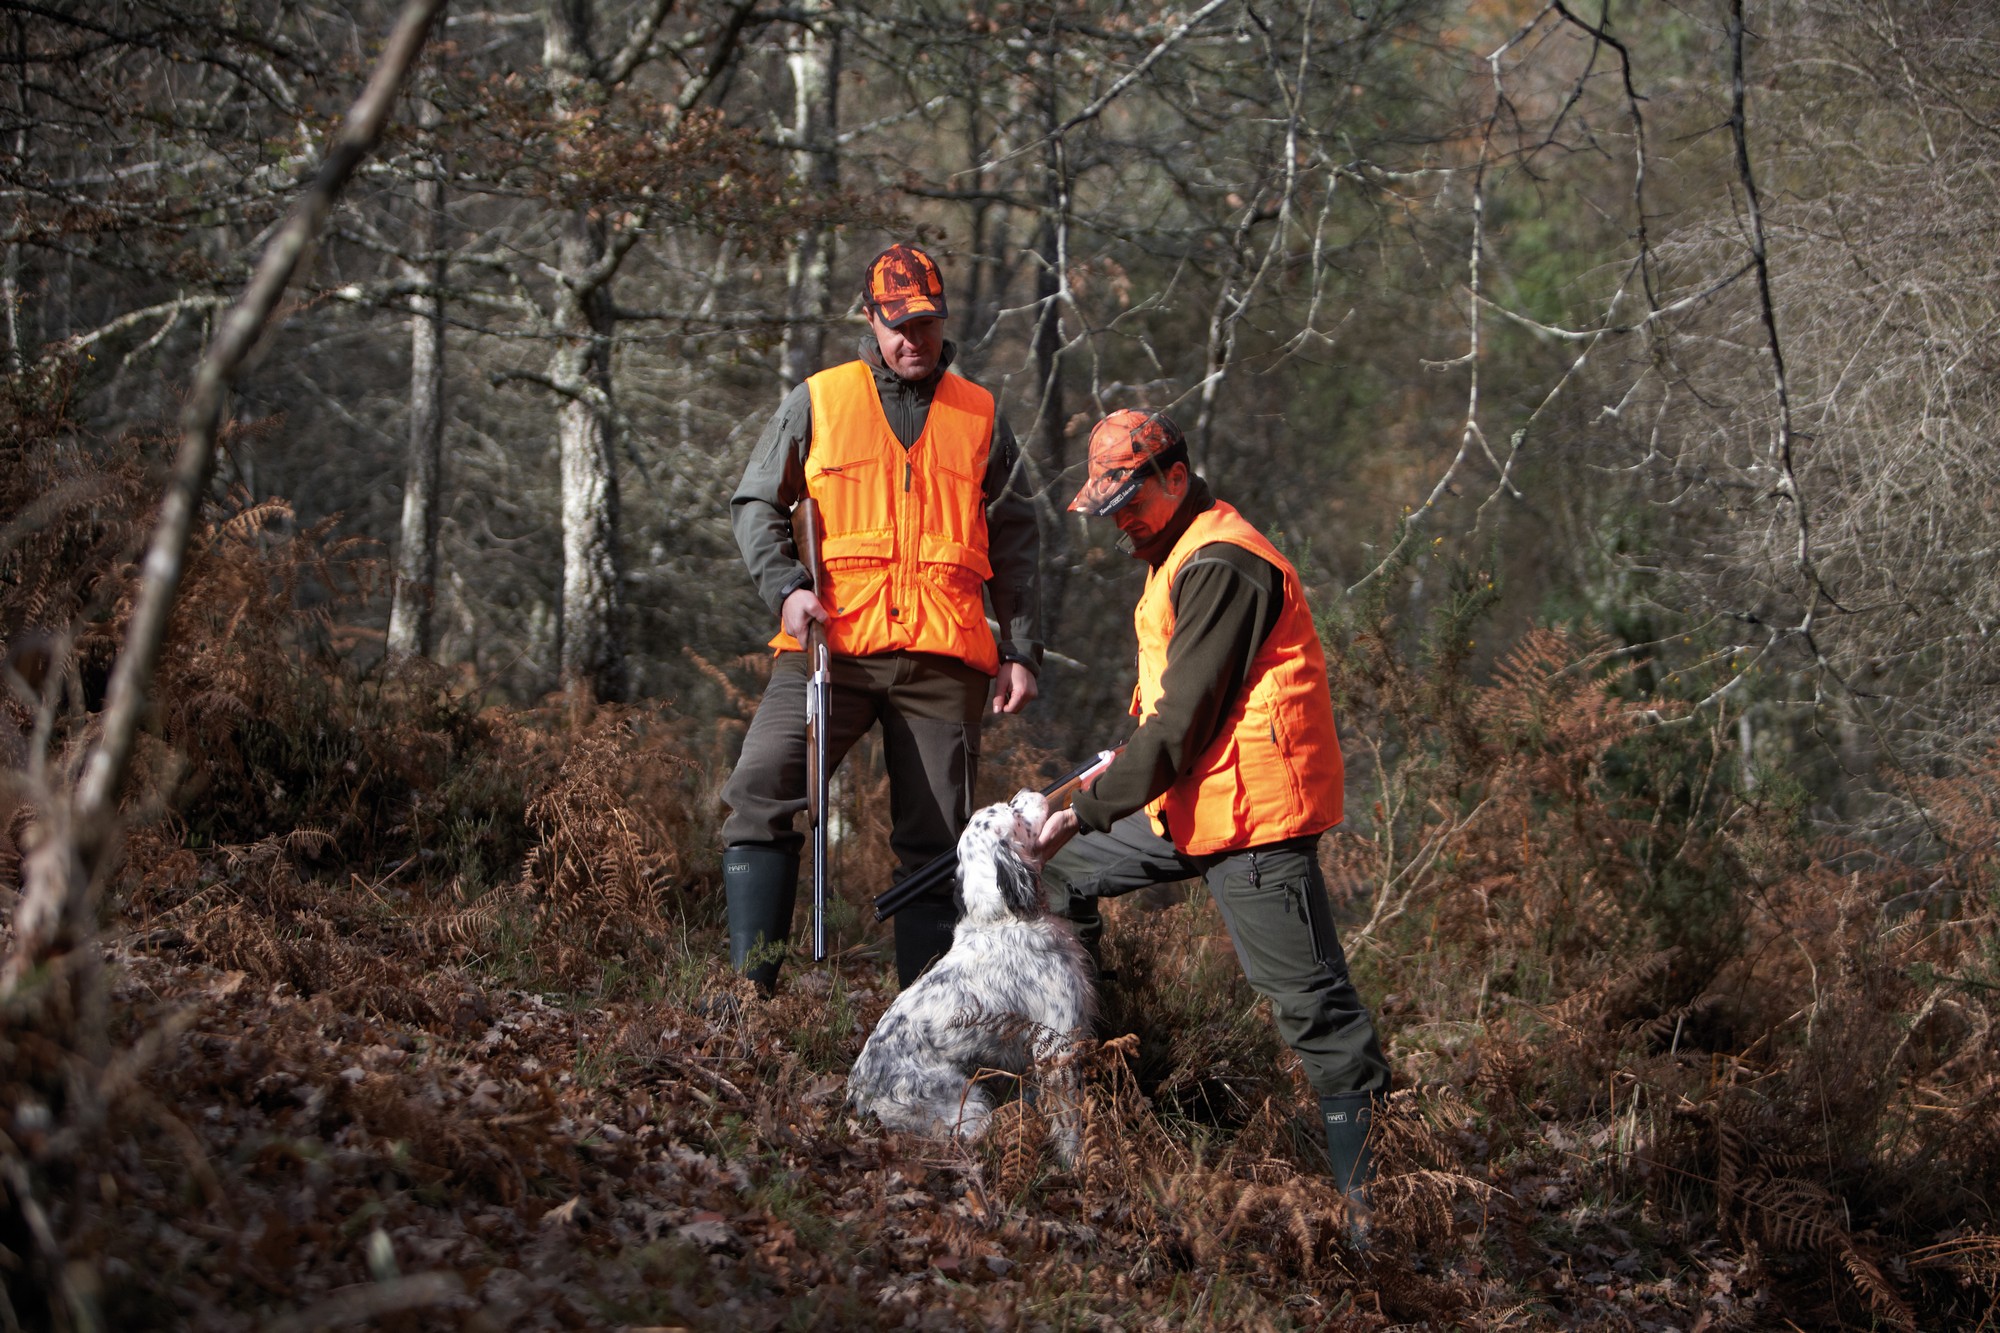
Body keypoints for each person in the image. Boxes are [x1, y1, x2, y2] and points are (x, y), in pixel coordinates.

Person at [1029, 409, 1390, 1244]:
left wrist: (1082, 809)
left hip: (1254, 816)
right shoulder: (1177, 555)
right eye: (1109, 507)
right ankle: (1102, 1073)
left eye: (1129, 502)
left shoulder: (1224, 560)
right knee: (1063, 873)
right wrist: (1097, 785)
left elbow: (1181, 723)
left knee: (1317, 1014)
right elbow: (1167, 713)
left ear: (1176, 479)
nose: (1120, 521)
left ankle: (1376, 1220)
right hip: (1193, 801)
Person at [721, 243, 1042, 992]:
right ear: (871, 319)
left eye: (926, 323)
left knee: (936, 847)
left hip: (943, 658)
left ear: (944, 320)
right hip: (830, 648)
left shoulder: (981, 414)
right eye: (898, 325)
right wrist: (787, 590)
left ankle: (923, 1020)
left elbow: (1017, 538)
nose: (913, 339)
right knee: (760, 791)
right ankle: (750, 995)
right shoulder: (819, 399)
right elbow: (755, 503)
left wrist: (1021, 648)